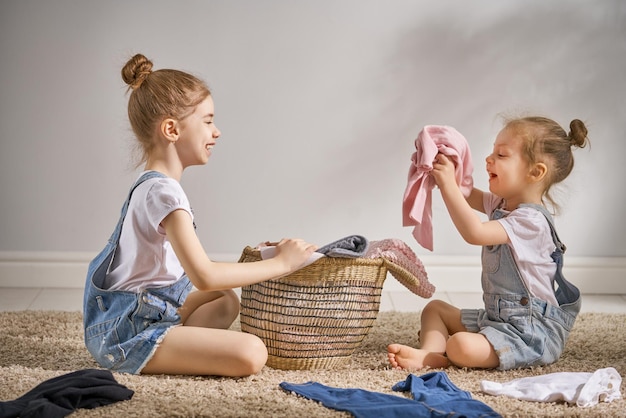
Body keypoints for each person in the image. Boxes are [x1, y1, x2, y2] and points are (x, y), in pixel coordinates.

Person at [83, 53, 317, 377]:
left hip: (141, 315)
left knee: (225, 301)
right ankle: (166, 349)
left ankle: (181, 346)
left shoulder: (153, 187)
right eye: (207, 121)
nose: (216, 131)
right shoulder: (164, 193)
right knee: (252, 352)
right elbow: (203, 275)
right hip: (127, 334)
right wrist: (281, 264)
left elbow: (201, 274)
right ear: (171, 129)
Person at [388, 116, 589, 371]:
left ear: (535, 172)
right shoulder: (501, 204)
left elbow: (475, 233)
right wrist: (446, 164)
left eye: (501, 155)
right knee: (434, 309)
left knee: (460, 344)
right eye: (493, 151)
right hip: (497, 320)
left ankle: (450, 354)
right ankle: (430, 355)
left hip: (530, 332)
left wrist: (449, 183)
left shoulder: (531, 221)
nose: (489, 159)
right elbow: (466, 194)